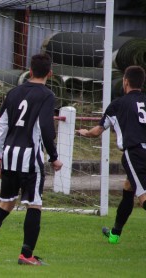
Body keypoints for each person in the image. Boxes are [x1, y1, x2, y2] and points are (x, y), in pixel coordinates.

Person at [0, 53, 63, 265]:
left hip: (10, 156)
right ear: (50, 73)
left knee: (5, 203)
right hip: (30, 158)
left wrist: (0, 156)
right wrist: (54, 157)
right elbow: (47, 128)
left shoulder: (13, 93)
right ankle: (26, 255)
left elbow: (1, 126)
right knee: (34, 204)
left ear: (29, 71)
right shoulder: (47, 95)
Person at [76, 65, 146, 244]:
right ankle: (115, 234)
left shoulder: (117, 105)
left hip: (136, 153)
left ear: (126, 81)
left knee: (144, 197)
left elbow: (97, 131)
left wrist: (84, 132)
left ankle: (115, 234)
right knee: (128, 187)